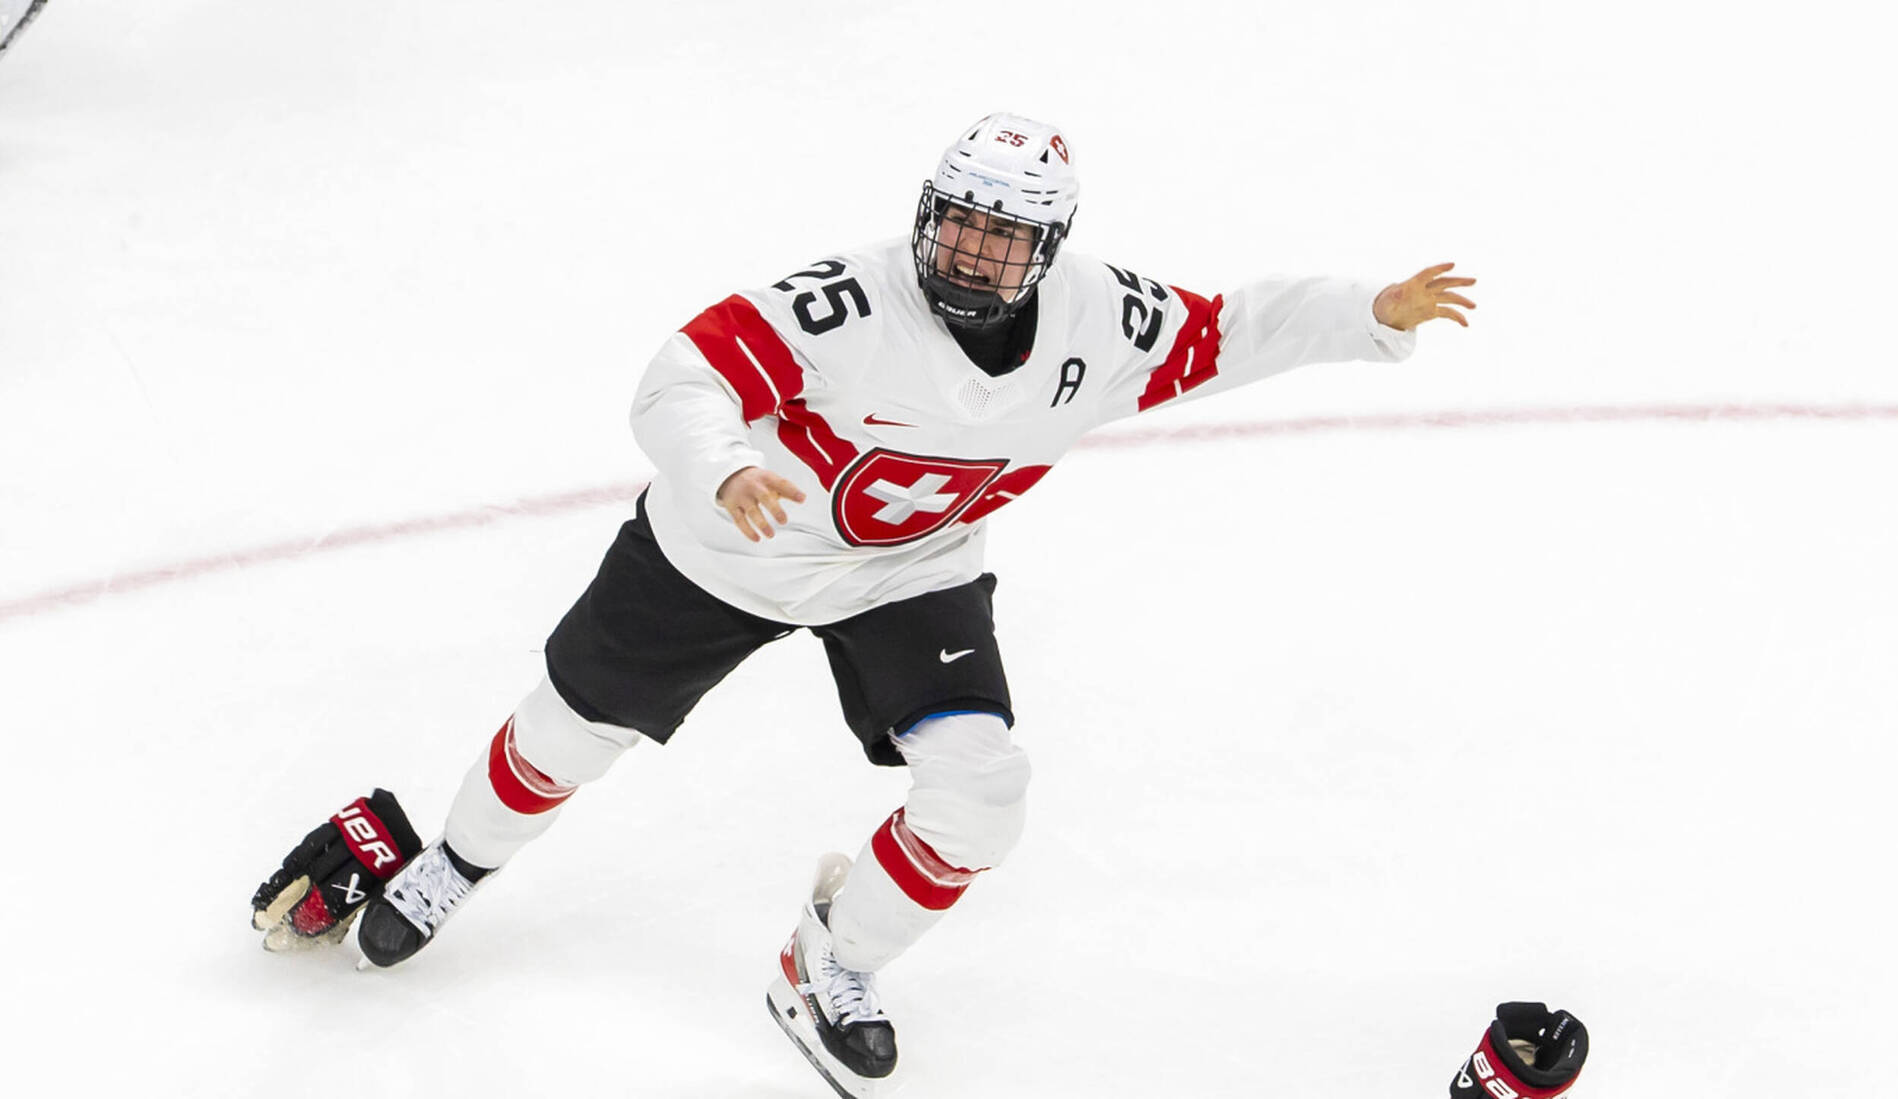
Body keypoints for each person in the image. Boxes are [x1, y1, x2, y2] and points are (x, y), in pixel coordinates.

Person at [250, 111, 1476, 1097]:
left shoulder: (1100, 320)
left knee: (984, 789)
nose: (969, 254)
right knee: (565, 733)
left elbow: (1225, 332)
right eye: (955, 225)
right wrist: (723, 464)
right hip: (730, 552)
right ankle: (451, 865)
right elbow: (685, 370)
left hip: (912, 570)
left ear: (1047, 250)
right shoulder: (847, 302)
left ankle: (828, 959)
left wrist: (1361, 314)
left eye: (1002, 239)